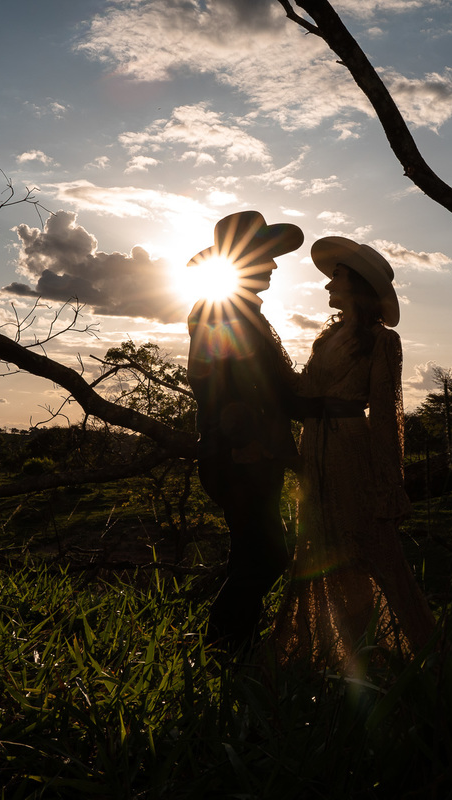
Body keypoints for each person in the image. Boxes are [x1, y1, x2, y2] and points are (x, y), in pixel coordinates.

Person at [271, 236, 434, 672]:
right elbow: (304, 390)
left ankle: (397, 653)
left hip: (349, 445)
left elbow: (385, 415)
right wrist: (266, 355)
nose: (327, 286)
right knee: (321, 543)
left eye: (336, 277)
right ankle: (335, 652)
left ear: (357, 283)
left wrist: (388, 484)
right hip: (316, 446)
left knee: (362, 545)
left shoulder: (382, 341)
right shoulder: (327, 335)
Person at [186, 211, 303, 650]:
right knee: (266, 556)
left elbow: (271, 390)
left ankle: (235, 648)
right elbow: (209, 382)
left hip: (256, 454)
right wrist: (243, 441)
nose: (273, 266)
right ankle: (222, 648)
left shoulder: (245, 311)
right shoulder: (219, 310)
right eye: (266, 256)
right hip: (238, 456)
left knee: (253, 555)